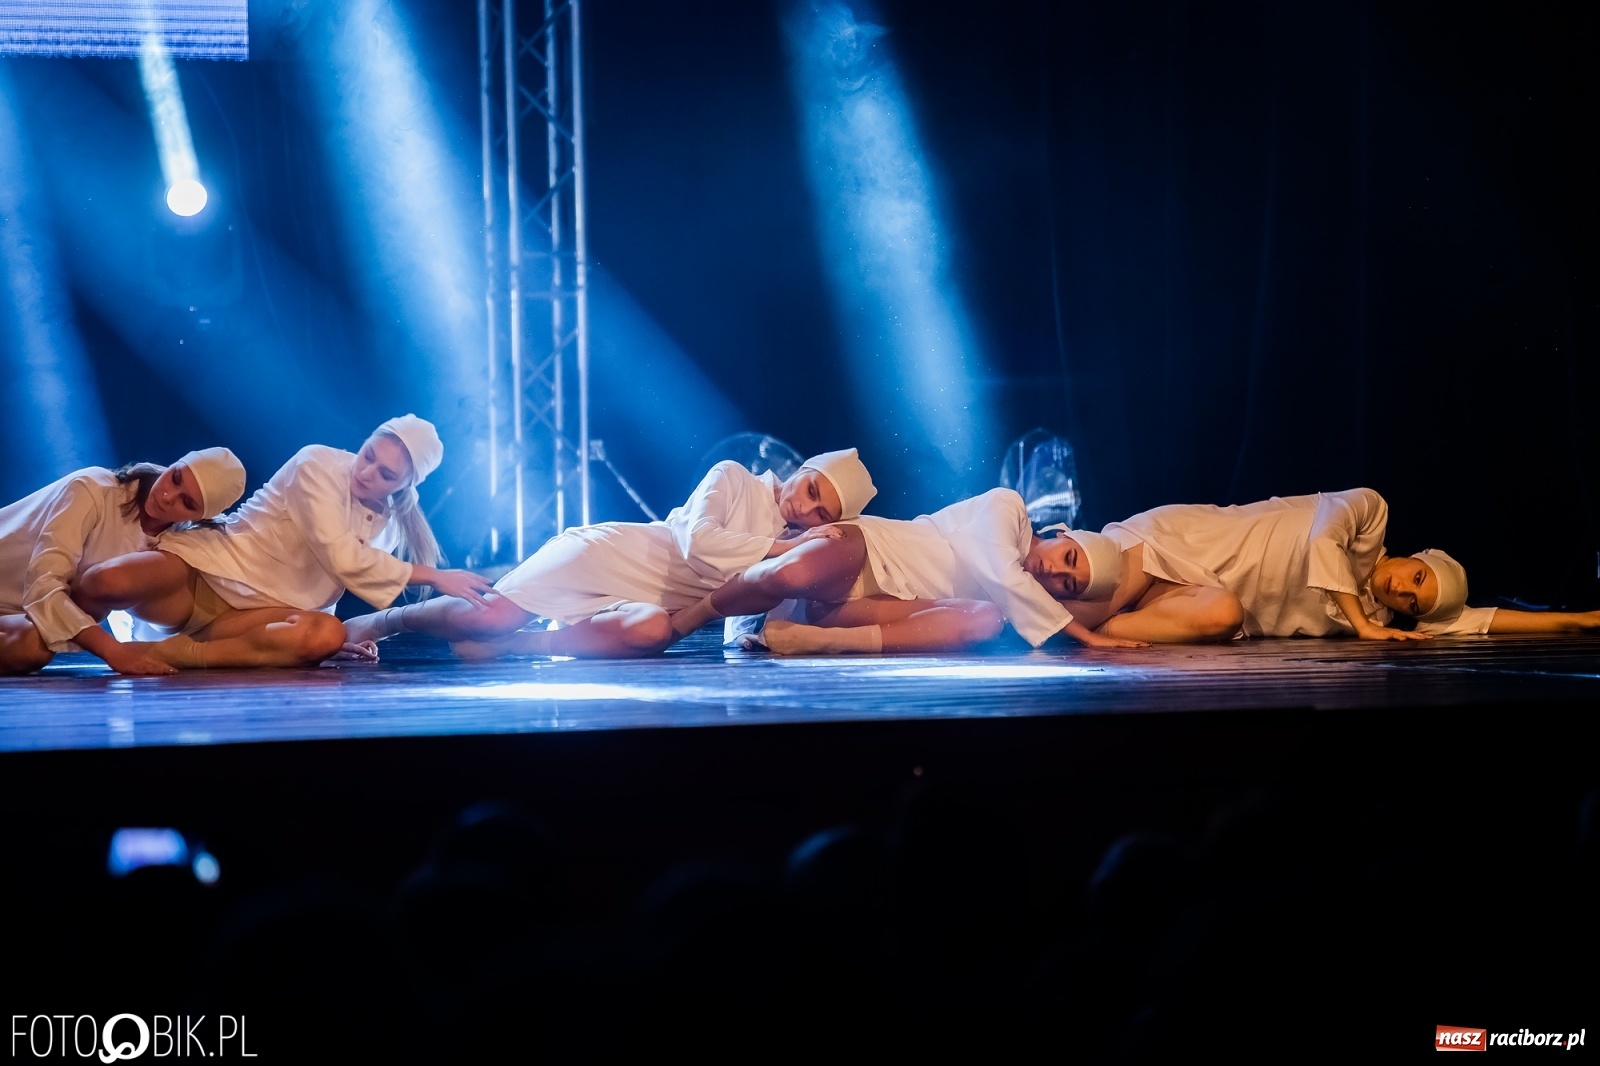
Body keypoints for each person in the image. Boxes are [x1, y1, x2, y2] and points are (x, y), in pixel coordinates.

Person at [343, 449, 879, 659]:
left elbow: (747, 617)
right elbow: (698, 543)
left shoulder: (791, 552)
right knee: (490, 617)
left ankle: (516, 651)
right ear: (803, 469)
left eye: (821, 514)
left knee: (650, 635)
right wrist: (787, 546)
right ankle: (386, 620)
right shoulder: (734, 476)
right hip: (609, 555)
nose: (806, 511)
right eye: (811, 489)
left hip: (646, 602)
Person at [71, 415, 490, 669]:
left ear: (406, 484)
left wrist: (327, 644)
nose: (367, 474)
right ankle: (37, 623)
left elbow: (330, 586)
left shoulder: (393, 525)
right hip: (205, 573)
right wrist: (434, 576)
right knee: (103, 583)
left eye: (386, 475)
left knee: (324, 635)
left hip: (255, 620)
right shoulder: (319, 464)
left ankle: (170, 654)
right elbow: (340, 555)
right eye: (369, 457)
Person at [1057, 487, 1600, 642]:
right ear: (1417, 555)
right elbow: (1322, 543)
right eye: (1416, 576)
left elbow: (1479, 620)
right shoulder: (1369, 514)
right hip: (1178, 547)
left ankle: (1081, 628)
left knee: (1225, 615)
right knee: (1055, 605)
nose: (1403, 590)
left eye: (1413, 601)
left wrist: (1580, 621)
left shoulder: (1384, 618)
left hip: (1200, 598)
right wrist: (1361, 624)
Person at [690, 487, 1149, 655]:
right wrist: (1083, 635)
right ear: (1060, 533)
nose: (1054, 572)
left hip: (885, 604)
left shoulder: (1020, 597)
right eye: (1067, 557)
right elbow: (989, 556)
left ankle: (816, 638)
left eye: (1068, 583)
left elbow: (1003, 593)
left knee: (986, 621)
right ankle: (693, 615)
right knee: (787, 576)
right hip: (869, 551)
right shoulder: (1010, 506)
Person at [0, 448, 246, 675]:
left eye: (187, 502)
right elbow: (43, 587)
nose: (167, 496)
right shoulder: (92, 488)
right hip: (32, 601)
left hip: (20, 616)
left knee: (32, 646)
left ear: (202, 516)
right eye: (175, 477)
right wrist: (112, 651)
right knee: (34, 646)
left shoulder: (181, 541)